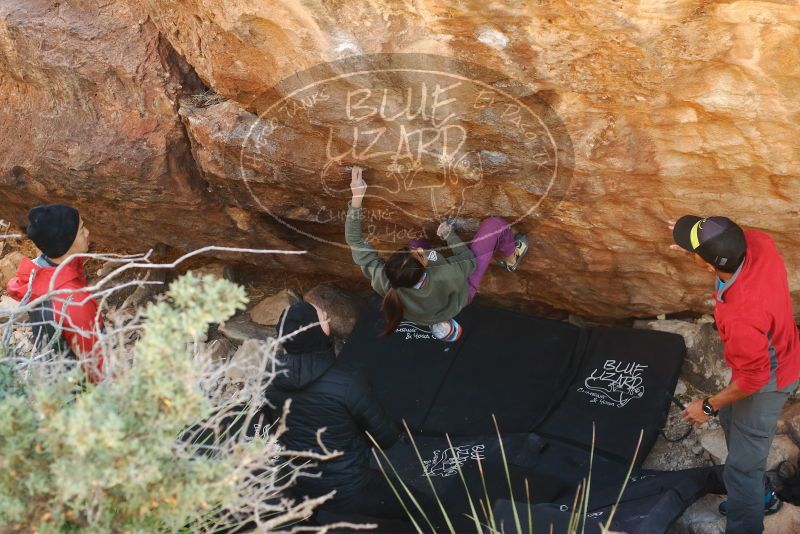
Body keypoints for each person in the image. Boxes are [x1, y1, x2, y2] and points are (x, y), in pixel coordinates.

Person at [671, 215, 800, 533]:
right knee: (731, 421)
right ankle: (757, 494)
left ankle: (750, 514)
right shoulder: (759, 243)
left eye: (694, 250)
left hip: (770, 375)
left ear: (707, 265)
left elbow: (754, 379)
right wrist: (697, 234)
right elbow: (725, 236)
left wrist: (707, 406)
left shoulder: (741, 314)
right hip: (776, 346)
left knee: (743, 465)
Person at [268, 301, 430, 521]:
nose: (328, 319)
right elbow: (386, 438)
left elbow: (273, 434)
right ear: (316, 332)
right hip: (348, 486)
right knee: (424, 507)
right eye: (324, 319)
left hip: (299, 484)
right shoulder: (347, 382)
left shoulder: (268, 382)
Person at [345, 166, 529, 340]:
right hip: (460, 292)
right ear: (424, 270)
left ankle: (435, 319)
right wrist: (450, 236)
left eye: (410, 253)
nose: (417, 251)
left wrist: (356, 198)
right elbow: (468, 262)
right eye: (418, 256)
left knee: (418, 243)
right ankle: (511, 255)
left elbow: (355, 241)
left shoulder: (384, 280)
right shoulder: (444, 273)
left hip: (421, 307)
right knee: (494, 225)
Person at [6, 204, 103, 382]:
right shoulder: (73, 301)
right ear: (65, 243)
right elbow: (98, 365)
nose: (88, 232)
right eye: (81, 229)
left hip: (56, 380)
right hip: (80, 392)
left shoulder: (39, 275)